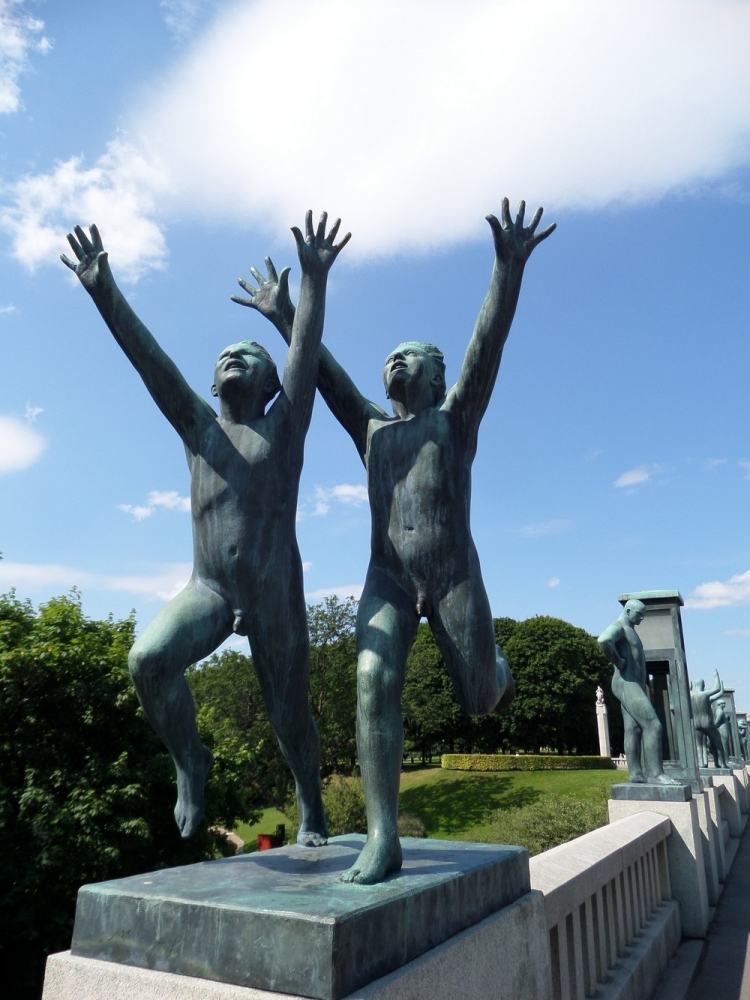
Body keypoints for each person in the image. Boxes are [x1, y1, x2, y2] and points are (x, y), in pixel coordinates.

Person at [232, 199, 554, 883]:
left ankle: (495, 671)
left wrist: (508, 269)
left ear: (436, 378)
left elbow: (487, 345)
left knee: (479, 698)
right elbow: (325, 376)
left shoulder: (455, 418)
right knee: (373, 679)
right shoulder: (372, 430)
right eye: (389, 358)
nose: (394, 362)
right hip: (388, 579)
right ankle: (384, 837)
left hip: (453, 576)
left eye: (409, 357)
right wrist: (285, 314)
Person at [61, 212, 350, 843]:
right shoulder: (198, 428)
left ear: (270, 383)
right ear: (211, 384)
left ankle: (311, 806)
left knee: (288, 715)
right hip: (210, 590)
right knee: (147, 660)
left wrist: (313, 282)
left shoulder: (285, 427)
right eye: (224, 357)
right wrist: (105, 291)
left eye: (250, 353)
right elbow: (152, 364)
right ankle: (190, 758)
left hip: (274, 593)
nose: (233, 356)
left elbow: (304, 356)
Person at [598, 600, 678, 785]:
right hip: (627, 683)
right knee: (653, 725)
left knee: (633, 729)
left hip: (632, 683)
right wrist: (618, 661)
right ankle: (656, 774)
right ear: (628, 611)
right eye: (639, 614)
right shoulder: (619, 627)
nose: (642, 618)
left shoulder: (630, 629)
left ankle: (635, 774)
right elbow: (603, 640)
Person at [690, 672, 727, 768]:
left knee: (699, 744)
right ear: (703, 685)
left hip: (696, 723)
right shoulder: (704, 695)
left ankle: (701, 763)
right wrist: (716, 676)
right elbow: (718, 689)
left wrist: (689, 687)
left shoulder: (690, 695)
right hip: (707, 722)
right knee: (717, 742)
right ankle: (722, 763)